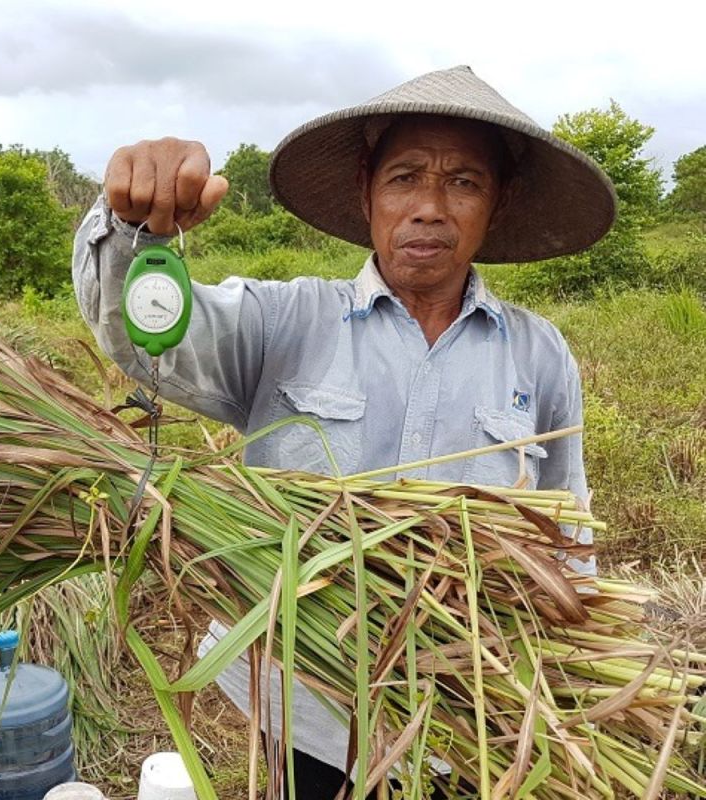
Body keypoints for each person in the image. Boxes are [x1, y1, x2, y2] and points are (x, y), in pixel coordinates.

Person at [71, 65, 615, 797]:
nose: (429, 207)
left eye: (463, 182)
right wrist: (140, 227)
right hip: (307, 709)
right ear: (367, 192)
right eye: (404, 177)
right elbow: (144, 339)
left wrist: (572, 675)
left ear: (499, 201)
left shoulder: (540, 355)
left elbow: (567, 532)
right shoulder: (283, 320)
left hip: (470, 714)